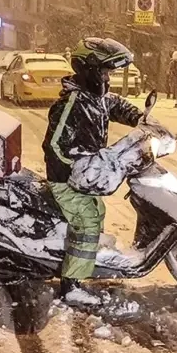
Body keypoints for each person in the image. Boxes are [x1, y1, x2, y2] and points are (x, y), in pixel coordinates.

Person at [42, 37, 145, 306]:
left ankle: (85, 258)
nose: (107, 77)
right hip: (66, 179)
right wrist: (78, 167)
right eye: (104, 71)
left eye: (108, 72)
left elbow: (115, 105)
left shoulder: (95, 98)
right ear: (89, 70)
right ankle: (71, 285)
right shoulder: (72, 103)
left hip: (84, 178)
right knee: (87, 218)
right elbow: (54, 145)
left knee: (97, 210)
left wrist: (141, 119)